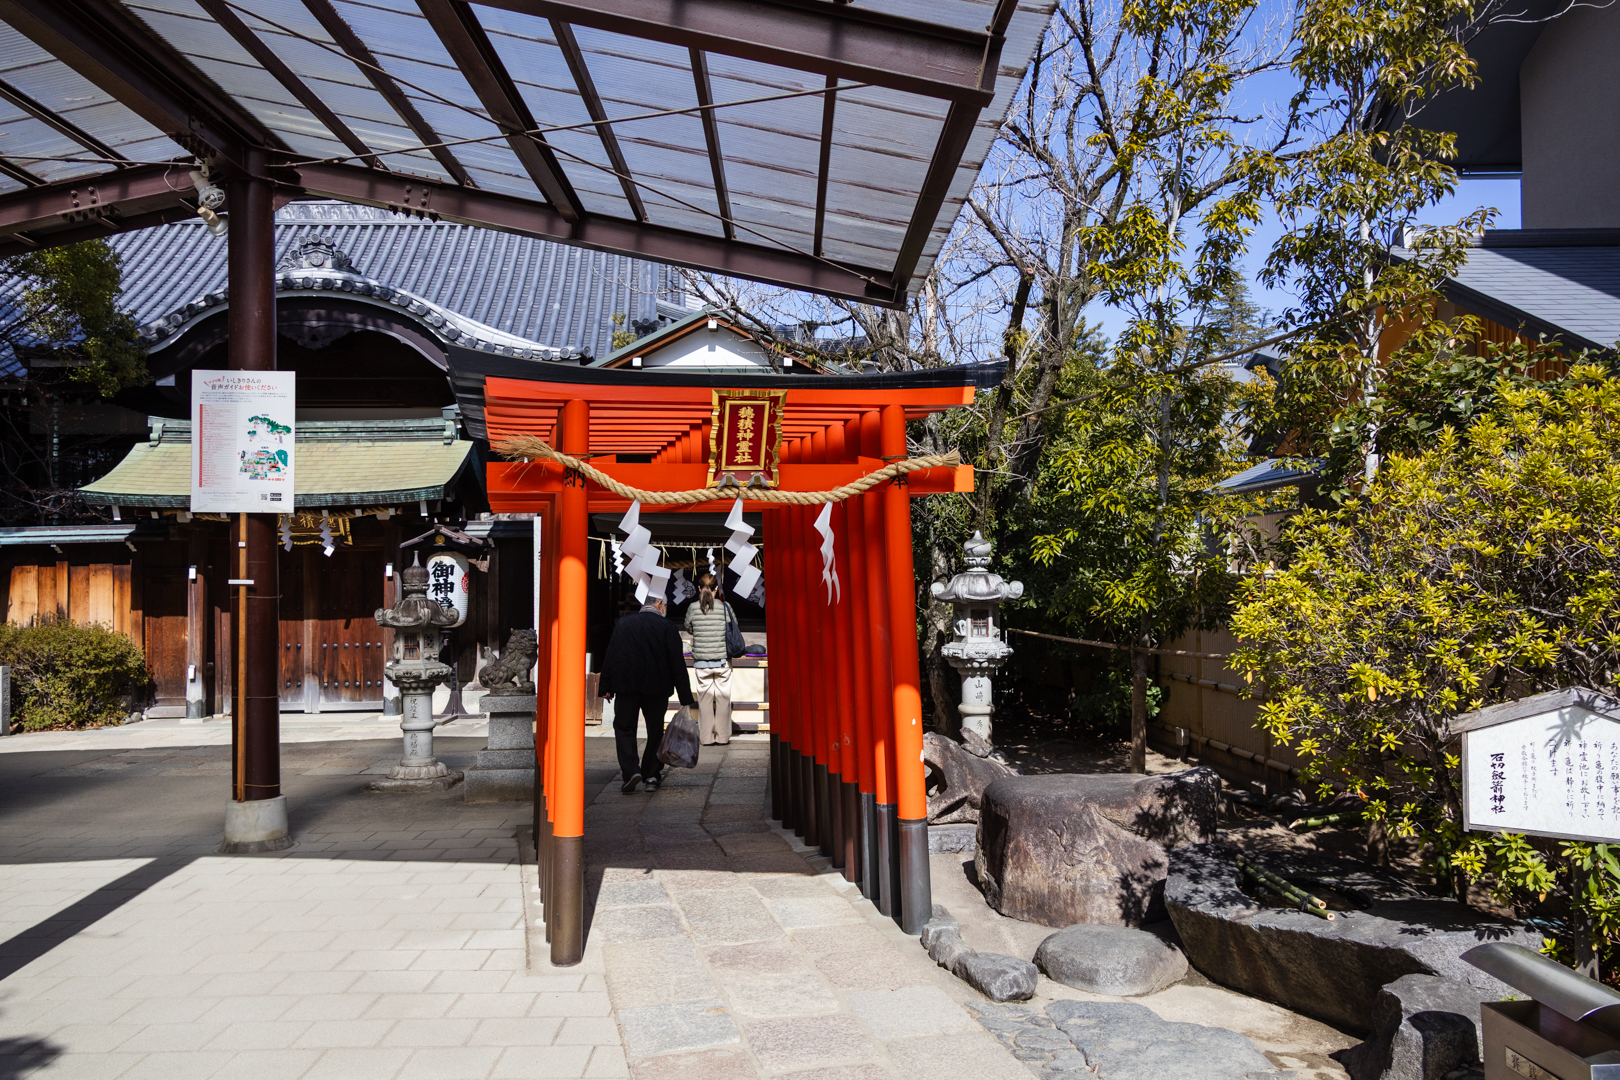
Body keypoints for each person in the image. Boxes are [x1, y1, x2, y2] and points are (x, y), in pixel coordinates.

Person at [599, 594, 696, 792]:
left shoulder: (624, 623)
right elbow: (676, 664)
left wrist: (606, 686)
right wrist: (685, 696)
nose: (665, 608)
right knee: (655, 730)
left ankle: (631, 771)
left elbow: (611, 654)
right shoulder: (667, 627)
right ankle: (651, 774)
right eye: (665, 605)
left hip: (626, 686)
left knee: (624, 727)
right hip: (656, 688)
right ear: (659, 603)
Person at [683, 572, 735, 746]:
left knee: (704, 701)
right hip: (722, 661)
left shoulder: (693, 607)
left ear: (699, 588)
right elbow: (733, 626)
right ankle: (722, 737)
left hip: (702, 662)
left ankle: (706, 738)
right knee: (723, 700)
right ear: (716, 589)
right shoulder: (725, 607)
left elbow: (688, 627)